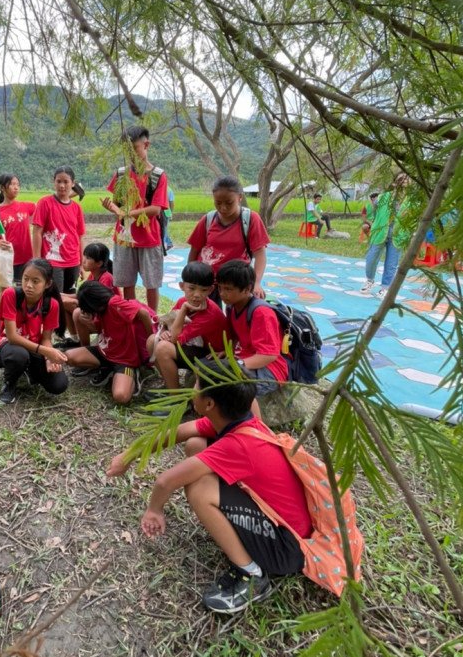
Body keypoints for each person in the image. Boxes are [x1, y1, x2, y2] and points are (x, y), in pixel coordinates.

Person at [108, 358, 312, 614]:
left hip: (286, 547)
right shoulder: (239, 421)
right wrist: (128, 455)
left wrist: (154, 510)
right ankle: (239, 543)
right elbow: (179, 432)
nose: (192, 389)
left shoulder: (237, 445)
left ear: (209, 404)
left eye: (196, 385)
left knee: (199, 489)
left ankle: (252, 576)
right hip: (281, 525)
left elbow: (165, 481)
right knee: (195, 444)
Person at [100, 125, 168, 312]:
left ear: (146, 145)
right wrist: (112, 207)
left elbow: (155, 209)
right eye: (127, 150)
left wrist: (127, 213)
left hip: (149, 238)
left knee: (152, 283)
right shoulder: (121, 174)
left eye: (135, 149)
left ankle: (152, 317)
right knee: (127, 282)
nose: (131, 154)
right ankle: (132, 316)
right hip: (125, 238)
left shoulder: (157, 176)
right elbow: (117, 204)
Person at [65, 282, 157, 404]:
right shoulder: (101, 309)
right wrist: (88, 322)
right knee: (69, 357)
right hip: (104, 352)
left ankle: (132, 374)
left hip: (124, 360)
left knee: (121, 397)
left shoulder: (114, 303)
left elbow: (143, 313)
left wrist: (150, 338)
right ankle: (107, 369)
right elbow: (99, 330)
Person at [0, 258, 69, 404]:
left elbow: (46, 338)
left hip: (34, 348)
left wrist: (48, 358)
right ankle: (9, 384)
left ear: (48, 284)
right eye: (25, 279)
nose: (28, 285)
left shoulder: (51, 304)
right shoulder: (10, 295)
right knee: (18, 355)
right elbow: (12, 337)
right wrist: (46, 352)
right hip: (8, 345)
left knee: (58, 384)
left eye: (35, 281)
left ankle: (28, 369)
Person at [187, 176, 270, 304]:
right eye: (218, 203)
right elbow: (194, 250)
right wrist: (190, 279)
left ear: (240, 197)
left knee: (235, 315)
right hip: (206, 283)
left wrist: (256, 283)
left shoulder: (251, 219)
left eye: (229, 203)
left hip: (235, 283)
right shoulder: (208, 220)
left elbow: (260, 254)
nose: (223, 208)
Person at [147, 261, 227, 394]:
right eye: (192, 288)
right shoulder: (182, 301)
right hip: (194, 347)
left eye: (203, 290)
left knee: (163, 348)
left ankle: (174, 397)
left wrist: (184, 309)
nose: (197, 295)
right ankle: (170, 385)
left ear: (211, 290)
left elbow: (175, 339)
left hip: (210, 355)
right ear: (182, 286)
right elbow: (168, 320)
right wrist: (164, 331)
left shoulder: (210, 314)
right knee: (152, 341)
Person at [216, 259, 287, 403]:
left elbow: (269, 355)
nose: (222, 293)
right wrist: (228, 351)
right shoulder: (232, 306)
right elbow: (236, 334)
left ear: (247, 289)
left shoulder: (262, 313)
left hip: (270, 368)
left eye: (228, 289)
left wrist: (238, 364)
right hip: (246, 357)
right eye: (220, 287)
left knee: (231, 390)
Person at [32, 166, 87, 295]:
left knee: (71, 297)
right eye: (59, 181)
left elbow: (80, 236)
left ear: (73, 183)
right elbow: (37, 232)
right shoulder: (44, 203)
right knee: (55, 297)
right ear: (54, 182)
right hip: (52, 260)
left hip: (73, 261)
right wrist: (36, 261)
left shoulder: (76, 208)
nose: (62, 186)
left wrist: (81, 264)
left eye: (66, 182)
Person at [361, 173, 411, 297]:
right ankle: (370, 280)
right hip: (381, 231)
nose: (404, 180)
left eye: (407, 178)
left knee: (392, 263)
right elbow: (375, 209)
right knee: (371, 257)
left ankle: (385, 287)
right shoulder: (383, 197)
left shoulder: (411, 200)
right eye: (401, 178)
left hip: (399, 233)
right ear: (394, 183)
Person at [59, 241, 114, 343]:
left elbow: (100, 305)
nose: (83, 260)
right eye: (84, 256)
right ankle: (75, 339)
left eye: (88, 258)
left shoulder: (106, 278)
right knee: (63, 302)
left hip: (105, 318)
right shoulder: (93, 275)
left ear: (99, 263)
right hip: (94, 313)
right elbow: (82, 295)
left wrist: (73, 301)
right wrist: (61, 295)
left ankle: (85, 347)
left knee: (77, 312)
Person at [0, 173, 35, 282]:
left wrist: (66, 195)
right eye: (12, 184)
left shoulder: (26, 206)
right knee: (5, 288)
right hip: (7, 258)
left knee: (23, 287)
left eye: (17, 184)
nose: (16, 187)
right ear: (1, 187)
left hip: (26, 257)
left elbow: (47, 207)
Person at [163, 186, 175, 251]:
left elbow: (171, 203)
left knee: (164, 230)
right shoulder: (169, 189)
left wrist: (171, 214)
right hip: (163, 212)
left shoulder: (169, 190)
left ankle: (163, 245)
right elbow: (172, 203)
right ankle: (169, 244)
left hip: (166, 213)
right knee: (163, 230)